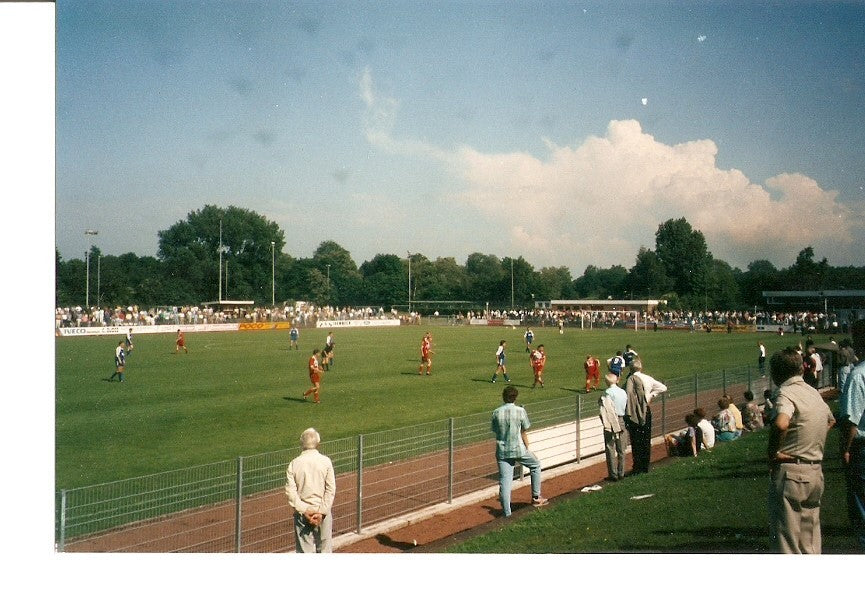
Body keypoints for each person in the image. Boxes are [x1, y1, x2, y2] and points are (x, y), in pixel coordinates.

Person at [767, 346, 835, 554]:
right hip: (815, 471)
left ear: (777, 373)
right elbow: (830, 420)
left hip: (792, 473)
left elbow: (781, 423)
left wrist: (774, 452)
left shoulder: (785, 393)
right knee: (810, 542)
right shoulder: (812, 392)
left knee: (787, 543)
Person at [490, 385, 549, 516]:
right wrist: (527, 446)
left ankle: (507, 512)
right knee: (535, 465)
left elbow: (495, 430)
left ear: (503, 397)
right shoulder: (520, 411)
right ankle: (536, 497)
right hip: (518, 449)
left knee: (505, 480)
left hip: (502, 450)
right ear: (515, 397)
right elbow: (524, 429)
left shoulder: (496, 412)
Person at [285, 428, 336, 553]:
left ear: (302, 444)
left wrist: (304, 510)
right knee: (324, 550)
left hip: (302, 515)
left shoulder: (294, 464)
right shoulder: (326, 461)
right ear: (318, 443)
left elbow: (291, 492)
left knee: (304, 551)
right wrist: (322, 512)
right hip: (322, 513)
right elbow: (330, 489)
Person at [838, 319, 865, 550]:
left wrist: (846, 449)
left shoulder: (858, 375)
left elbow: (851, 421)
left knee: (860, 502)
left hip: (861, 447)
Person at [623, 357, 667, 475]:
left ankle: (637, 466)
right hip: (646, 410)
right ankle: (645, 466)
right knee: (646, 439)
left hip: (634, 412)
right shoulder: (648, 378)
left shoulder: (630, 379)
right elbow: (663, 387)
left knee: (636, 440)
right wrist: (652, 395)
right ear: (641, 368)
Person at [599, 373, 628, 481]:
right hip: (621, 419)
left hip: (611, 420)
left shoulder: (607, 392)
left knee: (610, 447)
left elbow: (605, 409)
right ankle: (621, 472)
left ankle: (613, 474)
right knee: (622, 449)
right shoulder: (622, 392)